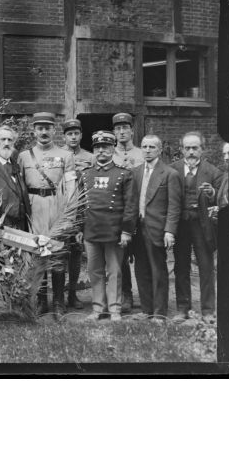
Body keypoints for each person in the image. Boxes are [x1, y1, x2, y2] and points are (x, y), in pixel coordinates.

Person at [18, 112, 76, 319]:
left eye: (47, 128)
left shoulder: (65, 155)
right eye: (40, 128)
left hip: (56, 206)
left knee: (58, 254)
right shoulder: (24, 156)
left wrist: (69, 215)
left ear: (54, 130)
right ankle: (41, 301)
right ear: (34, 131)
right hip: (33, 207)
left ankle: (58, 302)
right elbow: (19, 187)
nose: (44, 132)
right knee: (37, 254)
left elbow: (71, 188)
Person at [77, 131, 138, 321]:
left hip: (114, 231)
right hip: (91, 230)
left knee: (114, 272)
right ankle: (98, 308)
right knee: (94, 271)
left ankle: (114, 309)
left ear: (113, 149)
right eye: (97, 147)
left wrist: (126, 231)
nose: (101, 151)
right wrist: (79, 229)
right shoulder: (85, 174)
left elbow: (130, 206)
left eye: (105, 147)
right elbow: (79, 204)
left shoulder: (124, 174)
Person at [170, 132, 223, 323]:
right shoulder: (172, 170)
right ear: (181, 149)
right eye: (187, 148)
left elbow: (223, 199)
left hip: (202, 225)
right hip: (181, 224)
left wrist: (212, 193)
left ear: (202, 149)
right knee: (181, 267)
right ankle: (183, 309)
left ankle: (208, 310)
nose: (191, 152)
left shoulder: (213, 172)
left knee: (206, 267)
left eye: (195, 148)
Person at [131, 135, 181, 323]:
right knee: (141, 270)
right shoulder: (135, 172)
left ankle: (159, 313)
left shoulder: (169, 174)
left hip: (158, 229)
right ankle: (146, 310)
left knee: (158, 271)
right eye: (144, 146)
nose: (147, 150)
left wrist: (170, 231)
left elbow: (174, 206)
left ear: (159, 150)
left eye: (152, 147)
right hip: (138, 229)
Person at [112, 112, 144, 314]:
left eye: (125, 128)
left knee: (142, 254)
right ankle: (126, 295)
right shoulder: (109, 154)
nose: (122, 131)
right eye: (118, 128)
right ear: (114, 132)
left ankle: (146, 295)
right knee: (121, 257)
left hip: (140, 212)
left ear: (132, 131)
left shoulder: (142, 153)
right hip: (118, 213)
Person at [61, 118, 93, 309]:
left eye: (76, 133)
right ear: (64, 136)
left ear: (81, 135)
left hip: (81, 210)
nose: (73, 137)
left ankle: (72, 294)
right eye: (69, 134)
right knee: (57, 252)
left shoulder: (90, 157)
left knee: (75, 253)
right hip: (61, 209)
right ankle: (57, 295)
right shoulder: (57, 155)